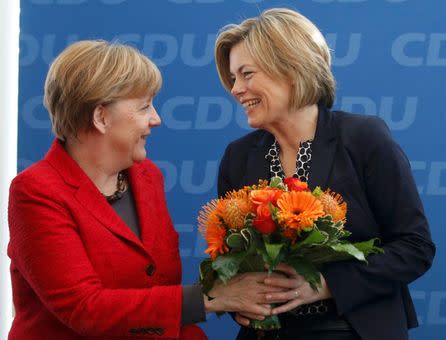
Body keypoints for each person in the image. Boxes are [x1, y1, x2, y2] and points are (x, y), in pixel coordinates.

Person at [7, 40, 278, 339]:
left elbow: (159, 292)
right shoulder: (35, 192)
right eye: (144, 106)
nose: (156, 119)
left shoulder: (147, 177)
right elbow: (84, 308)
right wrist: (213, 297)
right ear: (101, 117)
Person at [214, 8, 435, 340]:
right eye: (233, 78)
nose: (235, 89)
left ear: (290, 69)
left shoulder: (363, 138)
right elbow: (231, 263)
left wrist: (326, 283)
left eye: (246, 74)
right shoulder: (238, 156)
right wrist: (241, 298)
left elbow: (415, 247)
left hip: (353, 330)